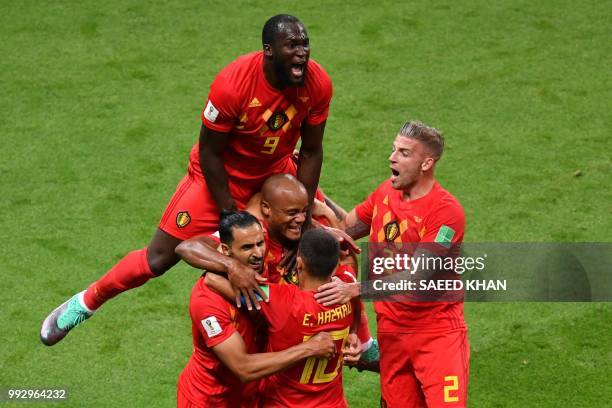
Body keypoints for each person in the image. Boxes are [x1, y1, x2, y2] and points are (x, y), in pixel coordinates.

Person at [40, 14, 332, 346]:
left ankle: (360, 343)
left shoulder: (318, 83)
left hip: (275, 179)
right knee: (157, 259)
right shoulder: (233, 84)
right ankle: (86, 302)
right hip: (219, 179)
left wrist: (305, 217)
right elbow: (210, 153)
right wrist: (228, 216)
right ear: (268, 50)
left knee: (317, 245)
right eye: (292, 45)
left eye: (304, 44)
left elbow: (311, 151)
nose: (302, 53)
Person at [314, 121, 469, 407]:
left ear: (427, 163)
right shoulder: (386, 192)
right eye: (393, 149)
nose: (392, 157)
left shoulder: (446, 212)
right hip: (392, 332)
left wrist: (355, 289)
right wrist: (316, 199)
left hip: (436, 335)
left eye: (404, 153)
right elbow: (346, 228)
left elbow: (417, 278)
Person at [177, 173, 378, 369]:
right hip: (271, 345)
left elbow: (219, 282)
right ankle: (368, 344)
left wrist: (324, 219)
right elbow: (187, 247)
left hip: (280, 345)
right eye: (292, 213)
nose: (301, 219)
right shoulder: (253, 233)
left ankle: (369, 344)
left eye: (304, 211)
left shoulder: (282, 299)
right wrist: (232, 266)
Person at [176, 211, 335, 407]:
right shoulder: (207, 300)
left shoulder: (256, 248)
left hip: (255, 396)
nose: (258, 253)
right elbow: (243, 368)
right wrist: (308, 348)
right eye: (247, 248)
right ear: (226, 250)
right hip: (211, 400)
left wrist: (331, 230)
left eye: (260, 244)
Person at [206, 228, 362, 408]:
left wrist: (231, 267)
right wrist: (354, 331)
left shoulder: (281, 300)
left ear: (299, 263)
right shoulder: (348, 288)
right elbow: (350, 261)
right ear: (335, 266)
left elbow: (212, 280)